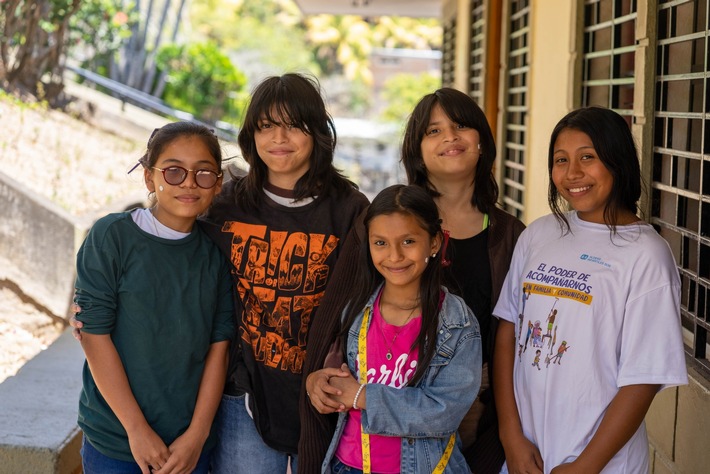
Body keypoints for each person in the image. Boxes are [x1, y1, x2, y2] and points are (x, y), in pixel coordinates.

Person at [300, 88, 525, 474]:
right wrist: (312, 380)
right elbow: (337, 314)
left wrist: (502, 437)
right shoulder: (385, 219)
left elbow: (513, 345)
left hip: (467, 416)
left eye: (461, 126)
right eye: (433, 130)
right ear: (416, 150)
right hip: (365, 433)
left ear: (482, 142)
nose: (450, 137)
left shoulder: (510, 236)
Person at [492, 106, 688, 474]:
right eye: (561, 160)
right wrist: (511, 436)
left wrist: (585, 466)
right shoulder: (539, 234)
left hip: (602, 464)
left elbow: (643, 378)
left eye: (588, 157)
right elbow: (508, 331)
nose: (572, 173)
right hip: (526, 456)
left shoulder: (646, 254)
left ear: (617, 161)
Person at [199, 73, 369, 473]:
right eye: (266, 126)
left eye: (294, 125)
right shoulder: (226, 204)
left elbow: (365, 300)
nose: (279, 138)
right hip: (244, 392)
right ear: (251, 135)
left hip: (325, 392)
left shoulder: (350, 209)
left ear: (318, 132)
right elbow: (174, 252)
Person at [74, 122, 234, 474]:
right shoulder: (112, 236)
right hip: (116, 441)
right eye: (174, 171)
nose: (189, 183)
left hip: (188, 448)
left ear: (218, 183)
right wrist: (137, 430)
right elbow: (93, 334)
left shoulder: (216, 255)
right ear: (149, 177)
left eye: (203, 173)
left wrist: (197, 435)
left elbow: (218, 349)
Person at [309, 184, 481, 473]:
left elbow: (444, 413)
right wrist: (317, 382)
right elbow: (335, 375)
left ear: (435, 243)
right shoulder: (355, 311)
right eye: (380, 243)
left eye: (408, 241)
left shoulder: (457, 324)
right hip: (346, 466)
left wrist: (362, 396)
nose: (394, 255)